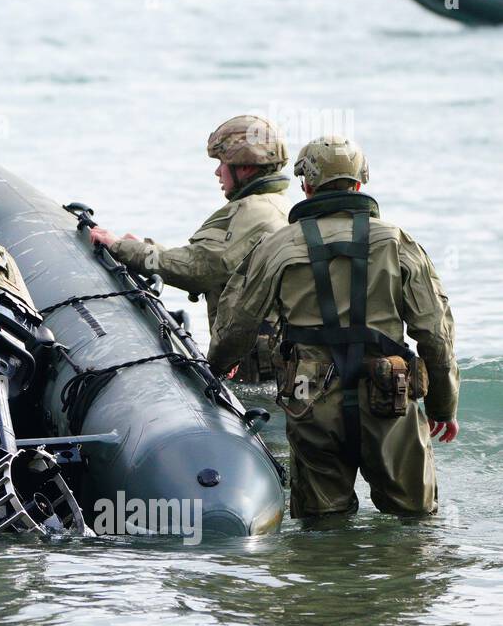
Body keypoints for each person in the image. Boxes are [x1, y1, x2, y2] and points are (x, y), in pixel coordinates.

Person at [208, 136, 459, 519]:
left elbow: (237, 319)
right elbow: (435, 334)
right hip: (388, 397)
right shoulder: (396, 241)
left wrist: (219, 365)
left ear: (306, 186)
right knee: (414, 522)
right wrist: (443, 404)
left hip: (311, 399)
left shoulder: (278, 245)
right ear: (360, 184)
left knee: (322, 525)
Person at [88, 114, 292, 381]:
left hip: (257, 365)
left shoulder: (254, 211)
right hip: (275, 355)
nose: (218, 172)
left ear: (245, 167)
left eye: (223, 163)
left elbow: (200, 268)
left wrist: (121, 248)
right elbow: (213, 258)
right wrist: (145, 248)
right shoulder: (278, 205)